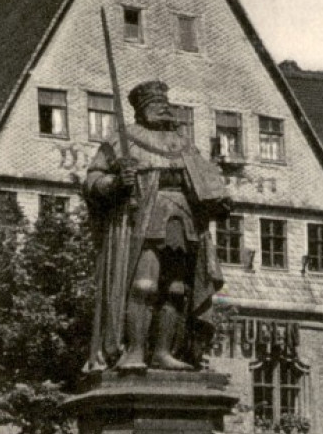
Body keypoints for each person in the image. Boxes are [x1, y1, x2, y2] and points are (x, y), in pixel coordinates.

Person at [82, 80, 231, 372]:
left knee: (176, 289)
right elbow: (92, 181)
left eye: (166, 103)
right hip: (144, 218)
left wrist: (219, 196)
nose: (163, 108)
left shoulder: (184, 143)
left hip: (183, 219)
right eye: (155, 104)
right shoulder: (122, 140)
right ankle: (135, 351)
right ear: (140, 109)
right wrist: (115, 182)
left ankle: (164, 352)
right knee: (144, 285)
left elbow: (209, 181)